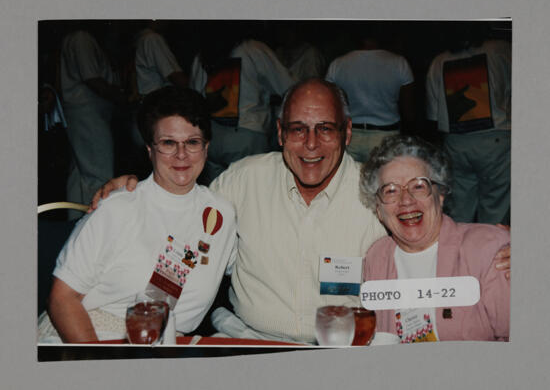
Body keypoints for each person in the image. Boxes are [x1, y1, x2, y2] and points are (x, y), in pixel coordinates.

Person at [90, 79, 511, 344]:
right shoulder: (242, 181)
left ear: (347, 132)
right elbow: (183, 221)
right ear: (279, 133)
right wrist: (135, 189)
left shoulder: (376, 193)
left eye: (325, 129)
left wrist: (505, 246)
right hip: (249, 343)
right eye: (297, 129)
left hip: (341, 350)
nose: (311, 145)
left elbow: (433, 231)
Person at [38, 87, 237, 343]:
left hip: (166, 345)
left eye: (192, 142)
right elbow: (61, 298)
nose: (181, 154)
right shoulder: (118, 207)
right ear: (149, 150)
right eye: (168, 143)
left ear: (206, 148)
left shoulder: (222, 214)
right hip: (88, 336)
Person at [360, 135, 510, 342]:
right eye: (391, 190)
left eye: (418, 186)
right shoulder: (376, 257)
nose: (406, 200)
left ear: (439, 195)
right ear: (378, 209)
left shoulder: (488, 248)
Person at [425, 26, 511, 224]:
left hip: (455, 142)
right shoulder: (500, 49)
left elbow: (432, 116)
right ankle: (489, 252)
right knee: (495, 209)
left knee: (459, 211)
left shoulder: (439, 61)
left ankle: (458, 253)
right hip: (495, 139)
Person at [189, 26, 295, 183]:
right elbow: (288, 87)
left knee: (216, 196)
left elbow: (194, 96)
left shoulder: (203, 54)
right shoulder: (254, 49)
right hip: (248, 134)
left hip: (212, 137)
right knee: (251, 193)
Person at [60, 23, 128, 217]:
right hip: (87, 111)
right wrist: (121, 96)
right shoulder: (81, 36)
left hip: (82, 111)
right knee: (98, 172)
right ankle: (96, 222)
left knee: (79, 172)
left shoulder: (75, 37)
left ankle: (74, 222)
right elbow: (93, 79)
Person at [326, 25, 415, 163]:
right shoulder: (399, 63)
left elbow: (329, 107)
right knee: (382, 183)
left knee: (349, 183)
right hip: (386, 136)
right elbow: (408, 111)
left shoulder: (337, 64)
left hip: (350, 136)